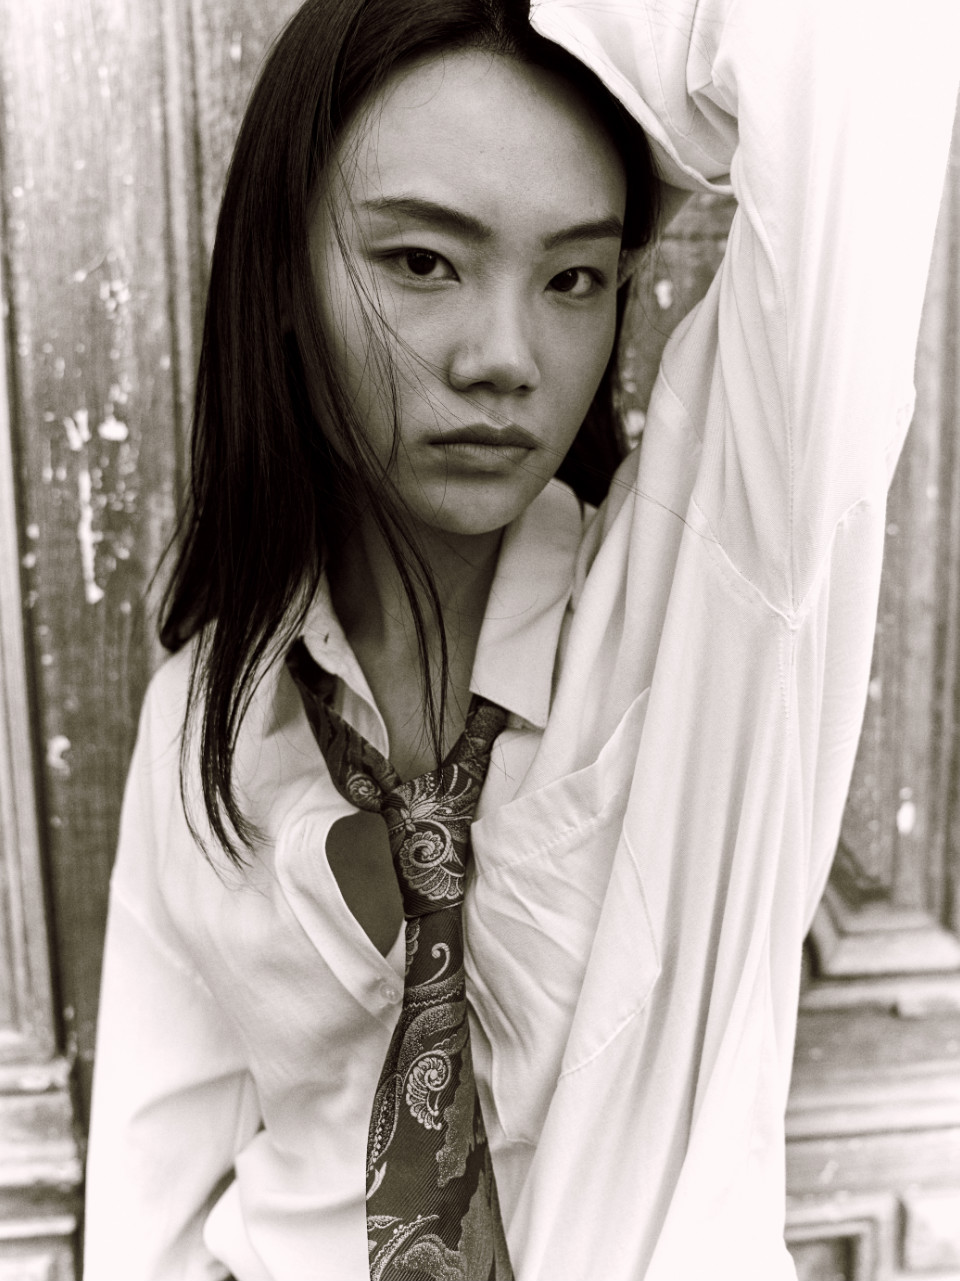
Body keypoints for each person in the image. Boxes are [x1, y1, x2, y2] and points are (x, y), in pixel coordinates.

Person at [82, 0, 960, 1277]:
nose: (504, 358)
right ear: (284, 277)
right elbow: (149, 1203)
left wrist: (564, 32)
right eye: (422, 262)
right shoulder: (206, 712)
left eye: (574, 279)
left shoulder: (705, 609)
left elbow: (854, 45)